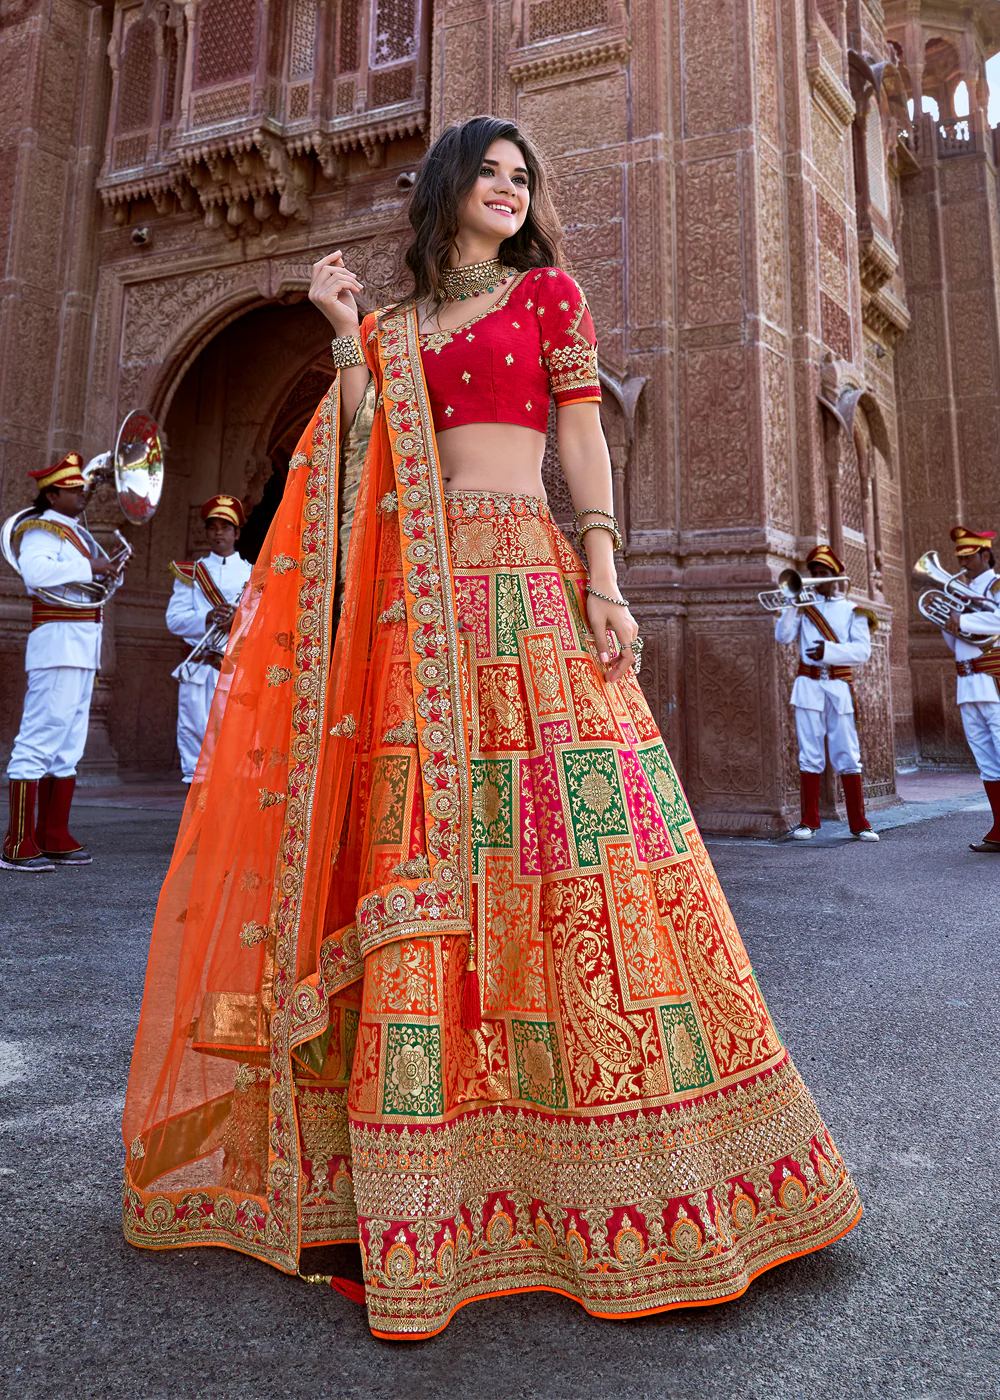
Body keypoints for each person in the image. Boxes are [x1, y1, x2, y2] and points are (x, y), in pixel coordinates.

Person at [123, 116, 861, 1339]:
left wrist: (606, 576)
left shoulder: (548, 299)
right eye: (492, 173)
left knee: (584, 848)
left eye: (527, 176)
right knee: (422, 855)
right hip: (423, 610)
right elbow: (362, 460)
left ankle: (633, 1166)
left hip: (530, 583)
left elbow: (580, 437)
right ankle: (420, 1190)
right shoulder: (399, 331)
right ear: (447, 191)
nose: (511, 190)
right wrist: (335, 330)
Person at [2, 455, 122, 872]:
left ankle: (53, 835)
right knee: (39, 738)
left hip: (81, 645)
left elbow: (81, 580)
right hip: (57, 644)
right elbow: (35, 573)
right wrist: (91, 565)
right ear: (52, 494)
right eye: (73, 489)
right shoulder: (40, 529)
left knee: (68, 745)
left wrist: (104, 572)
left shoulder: (76, 533)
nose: (81, 494)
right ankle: (18, 842)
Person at [775, 545, 879, 842]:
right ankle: (808, 822)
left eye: (824, 574)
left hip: (838, 686)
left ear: (836, 577)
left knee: (847, 752)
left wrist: (829, 651)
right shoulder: (803, 606)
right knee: (810, 754)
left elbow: (861, 652)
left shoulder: (854, 611)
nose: (818, 579)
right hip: (808, 686)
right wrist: (790, 606)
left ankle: (859, 823)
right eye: (814, 574)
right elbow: (782, 637)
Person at [165, 495, 253, 784]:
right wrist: (208, 617)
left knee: (234, 734)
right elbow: (174, 620)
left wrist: (235, 621)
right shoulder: (190, 573)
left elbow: (261, 623)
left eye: (226, 527)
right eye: (213, 527)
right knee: (193, 735)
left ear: (237, 533)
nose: (219, 533)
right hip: (200, 665)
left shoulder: (253, 575)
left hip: (234, 666)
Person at [940, 525, 1000, 853]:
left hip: (994, 682)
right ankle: (999, 827)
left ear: (985, 555)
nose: (963, 563)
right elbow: (954, 642)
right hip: (967, 684)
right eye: (960, 557)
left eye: (969, 556)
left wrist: (962, 621)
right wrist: (949, 622)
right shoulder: (959, 592)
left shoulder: (996, 585)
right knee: (987, 761)